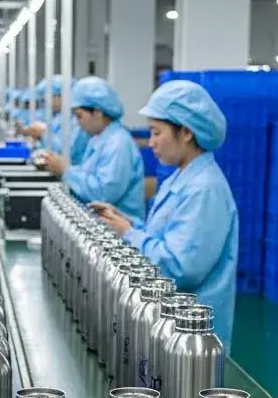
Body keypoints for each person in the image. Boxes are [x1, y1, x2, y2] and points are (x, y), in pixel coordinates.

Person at [90, 80, 238, 347]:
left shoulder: (204, 189)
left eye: (157, 133)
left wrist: (129, 234)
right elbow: (162, 235)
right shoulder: (180, 177)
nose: (151, 143)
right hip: (170, 326)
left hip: (191, 336)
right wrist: (125, 222)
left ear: (186, 133)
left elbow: (180, 267)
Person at [38, 76, 146, 221]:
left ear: (98, 112)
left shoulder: (118, 143)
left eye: (79, 116)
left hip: (118, 233)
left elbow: (105, 193)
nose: (78, 123)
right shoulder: (99, 138)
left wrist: (66, 170)